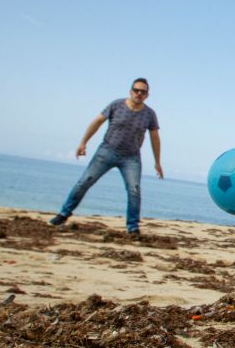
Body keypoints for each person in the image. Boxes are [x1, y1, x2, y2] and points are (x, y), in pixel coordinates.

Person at [50, 78, 164, 237]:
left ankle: (133, 228)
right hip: (107, 151)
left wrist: (157, 162)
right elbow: (97, 122)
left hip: (131, 158)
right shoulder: (116, 105)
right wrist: (83, 143)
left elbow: (155, 138)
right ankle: (63, 214)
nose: (139, 93)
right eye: (136, 90)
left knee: (134, 191)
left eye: (142, 92)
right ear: (130, 91)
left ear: (147, 95)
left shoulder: (149, 114)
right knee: (84, 182)